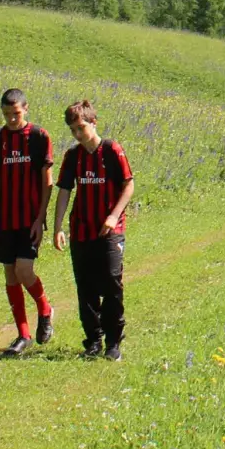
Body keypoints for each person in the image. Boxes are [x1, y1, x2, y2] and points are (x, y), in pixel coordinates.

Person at [52, 101, 134, 361]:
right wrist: (58, 227)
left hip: (110, 231)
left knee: (111, 284)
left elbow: (128, 186)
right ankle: (93, 342)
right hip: (81, 231)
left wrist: (113, 216)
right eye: (73, 130)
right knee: (85, 288)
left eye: (81, 128)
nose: (77, 134)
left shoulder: (112, 150)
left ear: (93, 123)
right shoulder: (73, 156)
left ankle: (113, 342)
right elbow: (65, 191)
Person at [0, 88, 55, 355]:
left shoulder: (38, 137)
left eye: (16, 113)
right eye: (6, 114)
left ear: (26, 109)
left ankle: (45, 308)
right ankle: (23, 335)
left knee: (24, 271)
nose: (11, 119)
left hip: (29, 219)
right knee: (10, 275)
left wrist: (41, 218)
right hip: (4, 218)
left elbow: (48, 182)